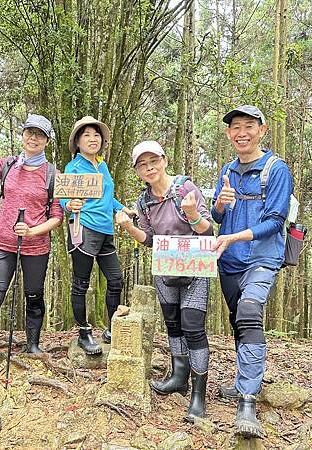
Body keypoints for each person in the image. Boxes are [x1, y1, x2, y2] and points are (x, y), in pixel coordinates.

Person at [116, 141, 213, 422]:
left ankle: (198, 394)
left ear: (164, 160)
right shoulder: (143, 201)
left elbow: (208, 231)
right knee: (172, 323)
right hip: (165, 269)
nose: (149, 167)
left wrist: (193, 214)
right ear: (137, 170)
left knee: (193, 327)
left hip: (195, 267)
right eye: (142, 164)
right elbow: (148, 239)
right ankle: (178, 377)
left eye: (153, 161)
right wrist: (129, 227)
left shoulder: (185, 188)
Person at [212, 105, 293, 438]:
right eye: (235, 127)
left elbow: (276, 220)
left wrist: (234, 237)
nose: (241, 132)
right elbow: (217, 217)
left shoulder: (276, 170)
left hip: (261, 259)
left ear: (263, 129)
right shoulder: (228, 169)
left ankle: (247, 399)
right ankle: (240, 381)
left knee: (248, 312)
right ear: (229, 134)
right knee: (236, 320)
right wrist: (220, 204)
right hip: (229, 261)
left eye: (248, 126)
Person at [0, 114, 64, 384]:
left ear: (46, 141)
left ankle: (33, 344)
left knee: (33, 296)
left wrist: (33, 231)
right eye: (29, 132)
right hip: (3, 243)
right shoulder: (8, 164)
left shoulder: (54, 174)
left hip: (36, 246)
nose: (33, 138)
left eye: (40, 135)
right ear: (22, 135)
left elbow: (57, 215)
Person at [61, 116, 135, 355]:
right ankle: (84, 333)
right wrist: (68, 204)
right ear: (77, 141)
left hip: (106, 230)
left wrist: (121, 208)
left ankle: (112, 328)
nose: (92, 139)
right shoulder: (73, 167)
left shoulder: (102, 165)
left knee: (115, 280)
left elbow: (107, 196)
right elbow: (64, 196)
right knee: (81, 284)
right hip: (83, 227)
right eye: (86, 135)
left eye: (96, 135)